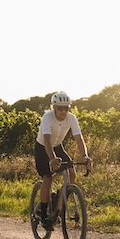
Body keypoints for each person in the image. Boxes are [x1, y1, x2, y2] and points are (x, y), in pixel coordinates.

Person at [35, 91, 92, 229]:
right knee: (47, 179)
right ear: (54, 107)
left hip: (58, 146)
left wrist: (85, 156)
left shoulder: (71, 118)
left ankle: (58, 199)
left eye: (66, 108)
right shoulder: (47, 117)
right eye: (60, 108)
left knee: (72, 174)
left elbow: (79, 138)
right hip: (43, 148)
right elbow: (47, 139)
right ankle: (44, 216)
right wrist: (52, 158)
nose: (64, 111)